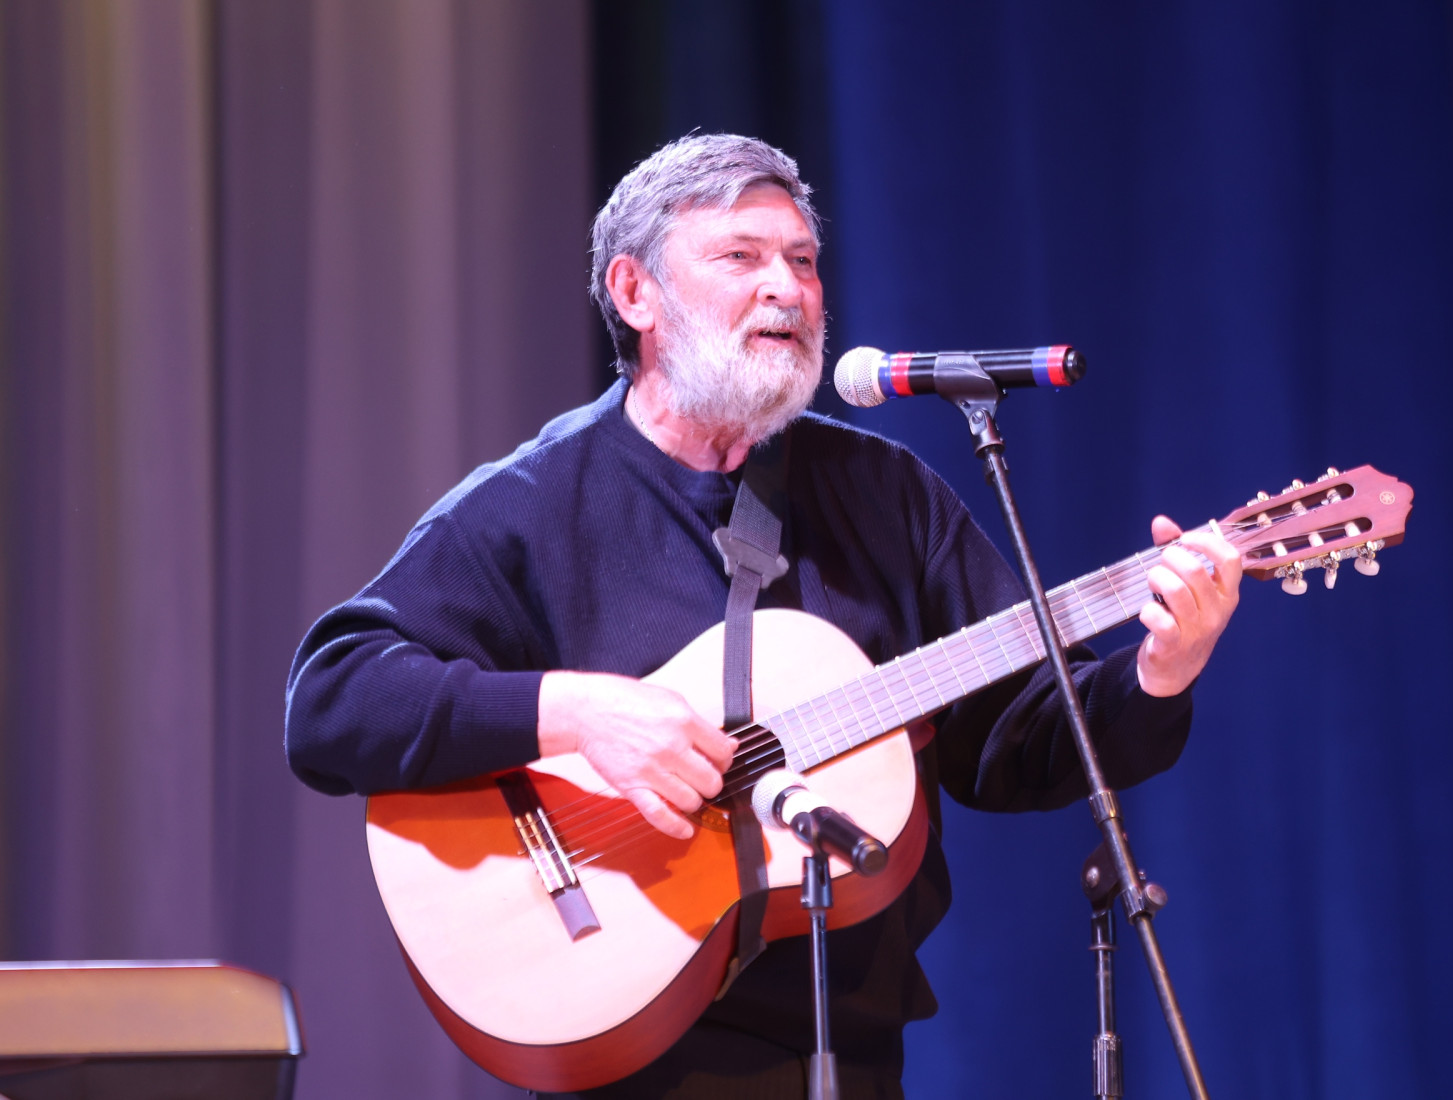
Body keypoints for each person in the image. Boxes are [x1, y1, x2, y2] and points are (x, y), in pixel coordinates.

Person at [285, 133, 1241, 1099]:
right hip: (628, 1047)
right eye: (741, 256)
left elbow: (1018, 740)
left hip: (852, 1049)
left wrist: (1159, 672)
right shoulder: (534, 504)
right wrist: (576, 714)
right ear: (635, 292)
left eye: (804, 261)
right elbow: (333, 699)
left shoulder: (885, 493)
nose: (787, 287)